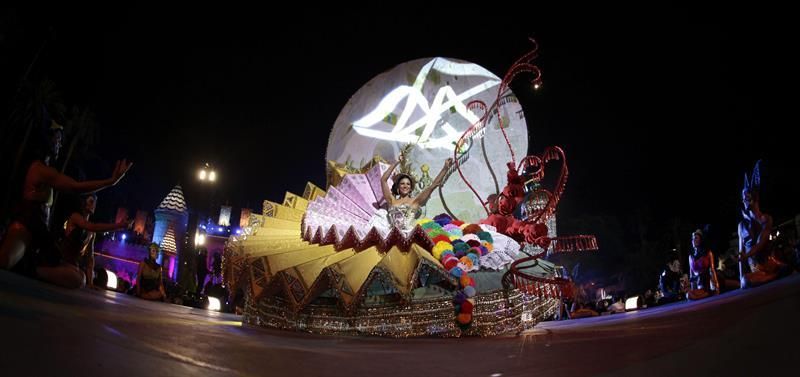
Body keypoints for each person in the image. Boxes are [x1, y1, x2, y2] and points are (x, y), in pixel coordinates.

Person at [0, 120, 132, 283]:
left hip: (38, 233)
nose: (60, 144)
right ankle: (27, 269)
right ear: (47, 140)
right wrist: (110, 182)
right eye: (58, 139)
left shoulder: (46, 170)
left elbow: (92, 233)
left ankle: (29, 269)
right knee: (5, 261)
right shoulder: (39, 169)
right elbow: (75, 187)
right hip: (25, 228)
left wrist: (118, 225)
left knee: (78, 278)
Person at [51, 193, 129, 288]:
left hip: (73, 266)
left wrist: (91, 283)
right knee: (78, 279)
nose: (94, 205)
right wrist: (118, 225)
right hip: (61, 261)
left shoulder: (91, 232)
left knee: (81, 278)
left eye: (95, 202)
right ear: (84, 202)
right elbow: (93, 226)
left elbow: (90, 259)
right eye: (91, 201)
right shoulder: (75, 217)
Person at [738, 161, 789, 288]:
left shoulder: (766, 219)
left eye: (747, 197)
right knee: (745, 281)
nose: (744, 200)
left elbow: (760, 244)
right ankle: (777, 274)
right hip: (756, 270)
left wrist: (746, 255)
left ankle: (776, 273)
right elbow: (741, 252)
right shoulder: (742, 225)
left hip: (768, 264)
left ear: (754, 197)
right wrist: (740, 278)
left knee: (748, 281)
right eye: (743, 198)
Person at [379, 152, 453, 232]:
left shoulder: (415, 201)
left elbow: (432, 186)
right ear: (398, 186)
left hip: (409, 236)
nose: (405, 186)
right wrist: (397, 162)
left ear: (411, 188)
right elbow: (383, 180)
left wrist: (445, 168)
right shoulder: (392, 201)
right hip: (392, 237)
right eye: (402, 183)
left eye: (408, 184)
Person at [686, 229, 720, 300]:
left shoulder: (708, 253)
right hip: (699, 286)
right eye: (692, 238)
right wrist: (691, 288)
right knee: (689, 295)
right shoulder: (691, 257)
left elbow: (712, 270)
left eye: (696, 238)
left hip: (709, 282)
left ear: (701, 240)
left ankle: (710, 292)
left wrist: (716, 286)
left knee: (736, 284)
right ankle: (708, 294)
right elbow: (692, 275)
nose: (693, 240)